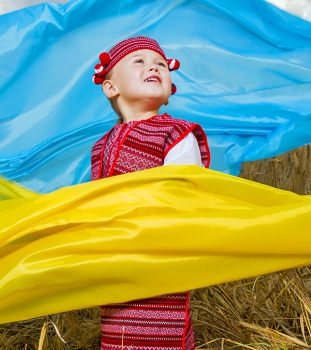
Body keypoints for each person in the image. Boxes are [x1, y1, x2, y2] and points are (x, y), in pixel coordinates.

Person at [90, 36, 211, 350]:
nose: (153, 67)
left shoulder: (176, 134)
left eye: (160, 64)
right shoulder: (100, 146)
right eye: (139, 61)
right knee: (117, 338)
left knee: (160, 336)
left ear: (169, 92)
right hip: (115, 269)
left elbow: (183, 199)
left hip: (160, 265)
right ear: (111, 87)